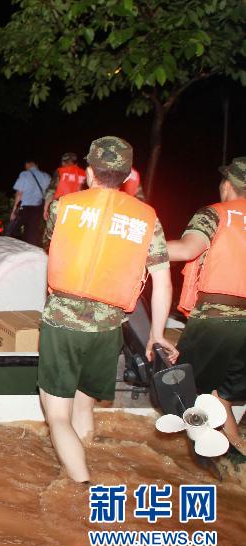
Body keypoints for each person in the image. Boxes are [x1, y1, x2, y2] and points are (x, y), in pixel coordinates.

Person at [39, 136, 177, 483]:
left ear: (88, 171)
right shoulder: (147, 218)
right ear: (129, 174)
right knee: (84, 406)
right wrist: (157, 336)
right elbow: (162, 281)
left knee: (57, 417)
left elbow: (51, 243)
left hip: (63, 323)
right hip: (109, 329)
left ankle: (81, 487)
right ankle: (80, 462)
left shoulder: (63, 206)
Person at [166, 156, 246, 454]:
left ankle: (199, 463)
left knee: (183, 394)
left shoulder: (215, 214)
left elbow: (187, 249)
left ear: (227, 185)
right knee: (220, 394)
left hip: (217, 319)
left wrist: (140, 249)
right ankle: (235, 453)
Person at [9, 159, 50, 245]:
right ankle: (30, 253)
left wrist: (13, 211)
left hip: (24, 208)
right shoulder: (46, 176)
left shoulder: (24, 174)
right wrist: (45, 209)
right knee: (31, 234)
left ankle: (13, 250)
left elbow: (19, 194)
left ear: (28, 164)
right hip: (38, 208)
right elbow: (49, 195)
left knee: (13, 230)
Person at [43, 152, 87, 220]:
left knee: (55, 230)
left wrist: (45, 209)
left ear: (63, 162)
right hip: (79, 208)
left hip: (60, 207)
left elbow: (51, 191)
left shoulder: (60, 171)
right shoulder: (84, 173)